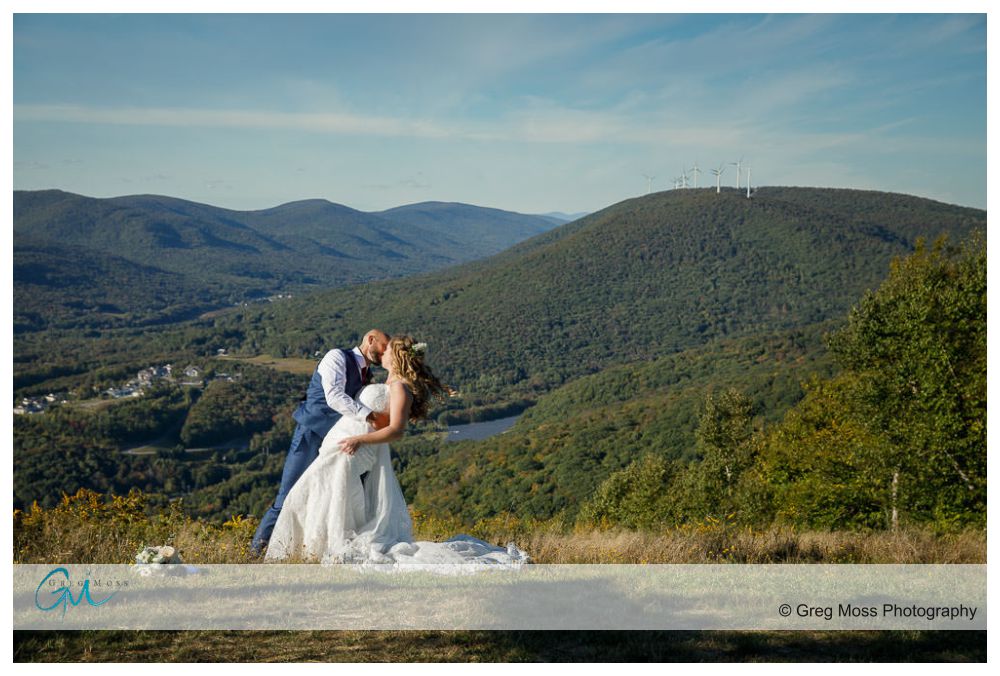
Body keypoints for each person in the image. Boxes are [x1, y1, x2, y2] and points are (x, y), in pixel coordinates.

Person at [264, 335, 529, 568]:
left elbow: (397, 430)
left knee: (312, 494)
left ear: (397, 354)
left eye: (388, 349)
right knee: (322, 495)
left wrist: (360, 440)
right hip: (339, 444)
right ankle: (306, 550)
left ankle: (312, 550)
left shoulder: (399, 387)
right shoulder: (387, 380)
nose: (383, 352)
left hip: (353, 449)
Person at [251, 329, 391, 554]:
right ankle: (255, 553)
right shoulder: (336, 357)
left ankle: (305, 549)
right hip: (311, 434)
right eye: (384, 345)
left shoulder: (367, 375)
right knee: (287, 495)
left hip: (338, 443)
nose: (385, 351)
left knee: (333, 496)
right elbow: (334, 396)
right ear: (370, 339)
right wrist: (370, 416)